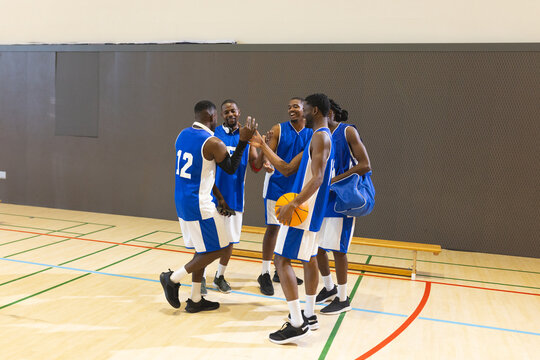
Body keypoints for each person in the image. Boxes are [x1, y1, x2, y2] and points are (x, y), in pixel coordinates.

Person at [251, 93, 334, 344]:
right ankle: (309, 315)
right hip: (310, 209)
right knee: (308, 259)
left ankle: (297, 323)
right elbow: (286, 168)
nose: (301, 112)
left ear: (315, 110)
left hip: (304, 210)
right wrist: (263, 146)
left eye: (305, 109)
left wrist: (294, 203)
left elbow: (318, 177)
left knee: (281, 259)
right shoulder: (318, 137)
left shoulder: (319, 137)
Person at [160, 100, 257, 313]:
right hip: (199, 204)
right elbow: (230, 168)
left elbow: (202, 172)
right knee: (221, 247)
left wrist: (219, 197)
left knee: (201, 249)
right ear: (213, 117)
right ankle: (173, 278)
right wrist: (243, 142)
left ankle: (195, 299)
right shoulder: (213, 142)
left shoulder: (182, 135)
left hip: (183, 199)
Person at [316, 99, 372, 314]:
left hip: (342, 199)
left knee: (338, 250)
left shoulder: (347, 131)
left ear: (329, 112)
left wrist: (335, 180)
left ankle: (343, 298)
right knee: (317, 248)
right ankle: (329, 288)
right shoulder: (320, 135)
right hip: (324, 199)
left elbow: (365, 164)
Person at [204, 99, 264, 293]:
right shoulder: (215, 134)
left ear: (239, 113)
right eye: (227, 112)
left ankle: (219, 277)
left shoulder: (248, 136)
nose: (230, 114)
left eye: (233, 111)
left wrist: (265, 149)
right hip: (214, 196)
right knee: (208, 239)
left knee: (230, 241)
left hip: (235, 196)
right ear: (222, 115)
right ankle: (201, 276)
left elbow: (255, 166)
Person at [257, 97, 312, 296]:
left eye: (295, 106)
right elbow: (267, 153)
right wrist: (266, 162)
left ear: (305, 110)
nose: (291, 109)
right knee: (273, 228)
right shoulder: (279, 129)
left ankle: (279, 271)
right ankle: (264, 272)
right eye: (289, 107)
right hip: (276, 185)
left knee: (288, 229)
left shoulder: (312, 134)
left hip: (297, 188)